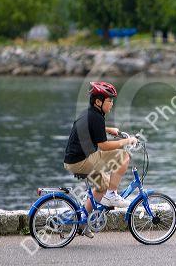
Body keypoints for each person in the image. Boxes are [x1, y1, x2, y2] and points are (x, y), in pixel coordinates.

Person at [63, 81, 137, 237]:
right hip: (81, 160)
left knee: (101, 183)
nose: (112, 104)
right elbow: (103, 146)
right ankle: (111, 195)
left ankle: (82, 222)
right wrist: (126, 141)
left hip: (75, 158)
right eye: (109, 101)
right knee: (124, 156)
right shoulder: (96, 117)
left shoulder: (90, 113)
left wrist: (110, 130)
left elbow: (94, 128)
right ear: (98, 101)